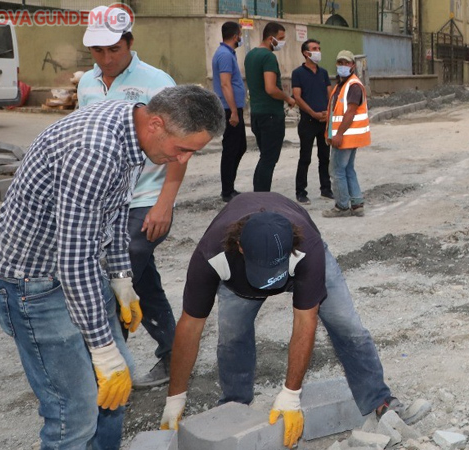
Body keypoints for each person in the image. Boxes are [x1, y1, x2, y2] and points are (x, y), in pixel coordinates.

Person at [0, 85, 224, 450]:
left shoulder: (131, 131)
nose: (183, 161)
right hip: (32, 283)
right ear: (157, 124)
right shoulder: (95, 151)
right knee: (74, 414)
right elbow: (73, 258)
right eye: (183, 149)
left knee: (116, 384)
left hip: (70, 270)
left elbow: (113, 211)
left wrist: (121, 277)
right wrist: (102, 347)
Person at [157, 192, 430, 448]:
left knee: (348, 327)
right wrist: (175, 398)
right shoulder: (211, 255)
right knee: (232, 338)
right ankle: (234, 411)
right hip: (238, 283)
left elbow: (304, 322)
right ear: (239, 247)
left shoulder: (307, 248)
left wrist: (291, 394)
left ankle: (379, 401)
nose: (269, 283)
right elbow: (190, 326)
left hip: (300, 263)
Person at [77, 5, 181, 388]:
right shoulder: (86, 83)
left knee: (117, 269)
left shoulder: (157, 83)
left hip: (145, 198)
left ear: (130, 43)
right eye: (98, 51)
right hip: (103, 201)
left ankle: (106, 363)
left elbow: (180, 149)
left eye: (114, 50)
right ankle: (173, 352)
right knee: (140, 279)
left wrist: (164, 204)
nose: (106, 59)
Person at [245, 21, 296, 192]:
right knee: (269, 159)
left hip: (257, 114)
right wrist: (288, 98)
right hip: (271, 115)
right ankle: (262, 196)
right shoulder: (268, 57)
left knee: (264, 157)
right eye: (280, 39)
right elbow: (271, 88)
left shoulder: (250, 55)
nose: (282, 42)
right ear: (270, 38)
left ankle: (259, 193)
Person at [323, 50, 370, 218]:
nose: (343, 66)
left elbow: (349, 113)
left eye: (346, 63)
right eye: (340, 63)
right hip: (348, 136)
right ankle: (357, 205)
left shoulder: (353, 86)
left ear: (352, 65)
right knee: (348, 169)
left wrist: (338, 134)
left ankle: (342, 206)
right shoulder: (342, 85)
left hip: (345, 137)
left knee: (337, 171)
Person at [291, 39, 334, 206]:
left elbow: (330, 94)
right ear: (305, 53)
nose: (318, 51)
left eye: (319, 48)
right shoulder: (298, 73)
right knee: (305, 157)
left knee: (324, 157)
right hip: (308, 121)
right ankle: (301, 191)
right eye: (314, 48)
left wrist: (327, 113)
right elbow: (297, 97)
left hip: (324, 120)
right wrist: (313, 113)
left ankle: (326, 188)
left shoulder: (323, 73)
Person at [214, 21, 249, 202]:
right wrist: (234, 112)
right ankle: (227, 191)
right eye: (240, 34)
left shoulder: (228, 54)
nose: (241, 38)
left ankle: (229, 187)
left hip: (233, 108)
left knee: (240, 147)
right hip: (229, 109)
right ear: (236, 36)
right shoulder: (225, 55)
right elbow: (225, 84)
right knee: (231, 149)